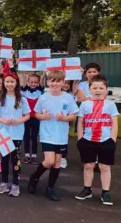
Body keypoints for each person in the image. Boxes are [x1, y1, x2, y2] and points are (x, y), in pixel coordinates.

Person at [27, 70, 78, 201]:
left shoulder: (68, 98)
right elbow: (36, 114)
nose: (55, 84)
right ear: (48, 82)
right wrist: (42, 116)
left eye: (58, 81)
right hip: (47, 134)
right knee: (49, 161)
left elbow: (73, 115)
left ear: (63, 83)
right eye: (52, 81)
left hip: (61, 136)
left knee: (57, 163)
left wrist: (64, 118)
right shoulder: (43, 97)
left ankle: (50, 188)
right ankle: (35, 177)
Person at [75, 75, 118, 206]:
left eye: (101, 88)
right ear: (90, 89)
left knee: (104, 166)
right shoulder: (84, 104)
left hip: (105, 140)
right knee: (88, 166)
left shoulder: (111, 105)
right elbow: (81, 122)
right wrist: (80, 139)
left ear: (106, 89)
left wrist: (113, 140)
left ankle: (105, 192)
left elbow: (114, 123)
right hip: (88, 140)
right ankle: (87, 189)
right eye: (95, 88)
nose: (98, 90)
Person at [0, 73, 30, 197]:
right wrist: (2, 120)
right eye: (7, 81)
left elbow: (27, 115)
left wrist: (18, 121)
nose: (9, 84)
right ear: (4, 83)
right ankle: (3, 182)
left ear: (16, 83)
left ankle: (15, 184)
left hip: (17, 134)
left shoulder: (22, 99)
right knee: (4, 159)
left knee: (15, 160)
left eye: (12, 82)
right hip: (3, 133)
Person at [20, 73, 44, 165]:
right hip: (26, 117)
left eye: (35, 82)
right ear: (28, 82)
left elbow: (42, 82)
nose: (33, 84)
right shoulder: (24, 90)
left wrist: (42, 76)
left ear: (38, 83)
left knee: (34, 137)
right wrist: (24, 77)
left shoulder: (40, 91)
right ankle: (26, 155)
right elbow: (23, 83)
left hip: (36, 117)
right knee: (26, 136)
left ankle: (34, 155)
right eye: (31, 82)